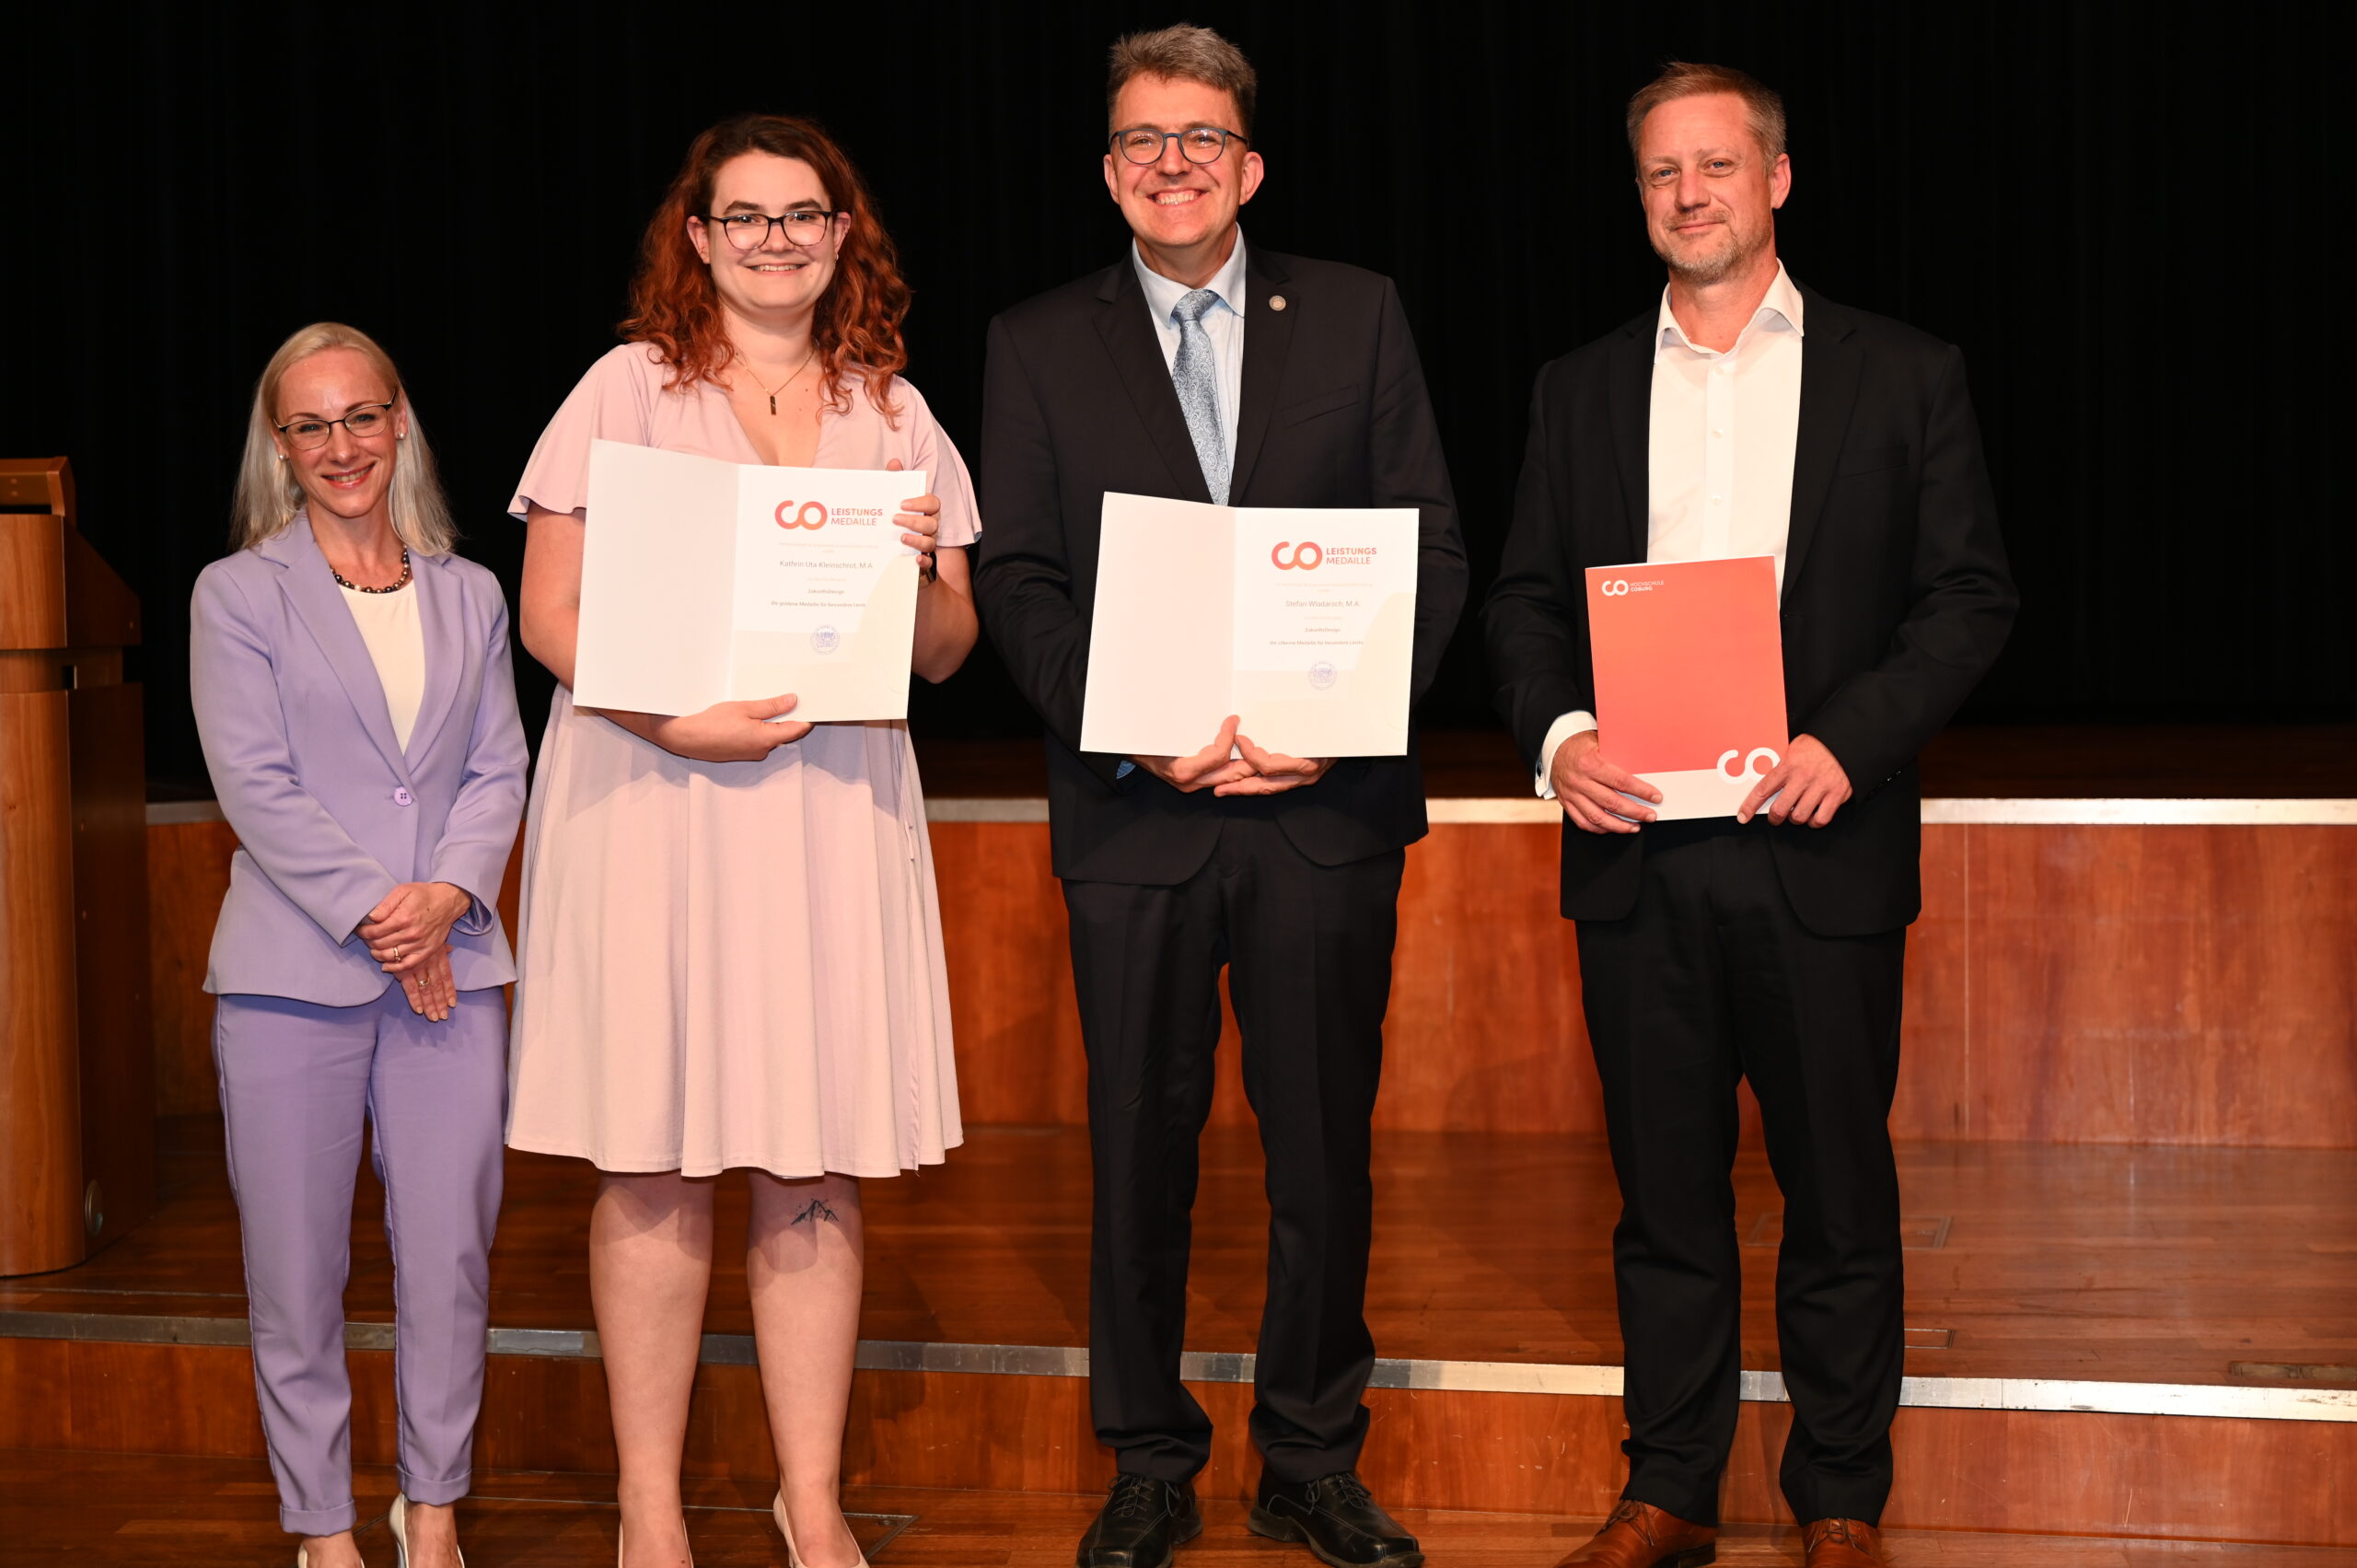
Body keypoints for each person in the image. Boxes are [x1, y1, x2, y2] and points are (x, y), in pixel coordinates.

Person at [1483, 62, 2018, 1568]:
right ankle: (1671, 1490)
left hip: (1817, 846)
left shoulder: (1901, 373)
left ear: (1776, 179)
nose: (1688, 195)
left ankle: (1840, 1498)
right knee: (1661, 1199)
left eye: (1716, 166)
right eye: (1662, 173)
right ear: (1640, 193)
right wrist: (1561, 734)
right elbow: (1523, 603)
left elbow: (1971, 595)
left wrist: (1852, 737)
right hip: (1640, 852)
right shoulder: (1579, 386)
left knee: (1838, 1192)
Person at [974, 25, 1466, 1568]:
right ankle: (1150, 1457)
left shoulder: (1359, 316)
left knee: (1322, 1147)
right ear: (1108, 170)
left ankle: (1312, 1456)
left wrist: (1344, 725)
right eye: (1139, 140)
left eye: (1199, 138)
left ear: (1249, 165)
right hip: (1139, 814)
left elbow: (1428, 551)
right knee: (1140, 1142)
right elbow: (1019, 577)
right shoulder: (1039, 341)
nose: (1169, 163)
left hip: (1322, 813)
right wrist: (1132, 723)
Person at [509, 112, 978, 1568]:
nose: (776, 239)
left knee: (813, 1157)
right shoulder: (624, 390)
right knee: (649, 1158)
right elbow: (552, 619)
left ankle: (812, 1498)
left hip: (829, 812)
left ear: (845, 234)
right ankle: (653, 1506)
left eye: (804, 214)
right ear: (697, 238)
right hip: (651, 803)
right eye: (745, 216)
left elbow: (953, 650)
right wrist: (673, 724)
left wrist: (917, 582)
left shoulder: (891, 409)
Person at [190, 322, 528, 1568]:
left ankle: (431, 1511)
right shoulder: (236, 595)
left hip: (454, 983)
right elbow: (256, 785)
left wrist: (447, 893)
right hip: (290, 982)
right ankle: (323, 1528)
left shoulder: (472, 591)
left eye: (361, 417)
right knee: (297, 1272)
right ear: (280, 447)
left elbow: (499, 767)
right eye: (311, 425)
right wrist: (392, 912)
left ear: (401, 424)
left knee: (447, 1261)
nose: (342, 447)